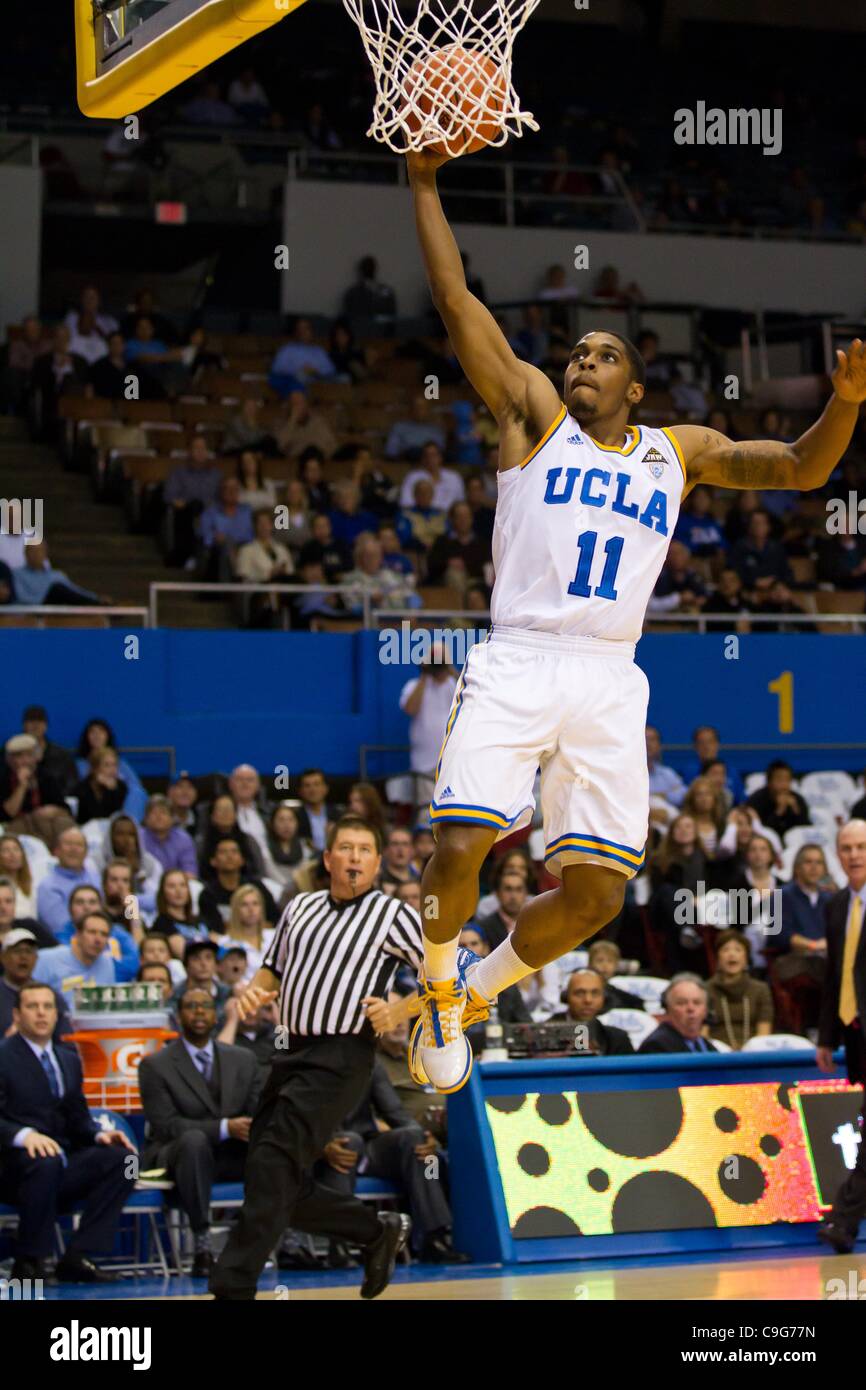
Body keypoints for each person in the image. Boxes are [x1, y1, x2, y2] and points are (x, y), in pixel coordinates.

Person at [402, 147, 866, 1094]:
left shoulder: (677, 451)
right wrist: (424, 184)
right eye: (578, 350)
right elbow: (459, 307)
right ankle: (442, 983)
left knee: (597, 897)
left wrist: (846, 405)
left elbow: (801, 470)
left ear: (636, 388)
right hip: (521, 657)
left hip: (612, 676)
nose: (583, 361)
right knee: (458, 844)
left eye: (605, 356)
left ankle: (485, 984)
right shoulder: (533, 413)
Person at [209, 816, 421, 1300]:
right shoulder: (298, 907)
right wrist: (252, 994)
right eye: (345, 848)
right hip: (288, 1051)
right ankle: (375, 1231)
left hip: (342, 1055)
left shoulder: (394, 915)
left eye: (365, 849)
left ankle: (231, 1284)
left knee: (273, 1159)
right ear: (327, 859)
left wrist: (399, 1008)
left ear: (377, 862)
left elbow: (451, 976)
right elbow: (273, 969)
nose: (354, 857)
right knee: (272, 1176)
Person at [0, 981, 135, 1283]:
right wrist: (22, 1135)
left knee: (127, 1162)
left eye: (48, 1006)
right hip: (13, 1165)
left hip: (62, 1162)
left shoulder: (70, 1060)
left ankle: (78, 1255)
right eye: (32, 1007)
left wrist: (99, 1135)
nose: (41, 1014)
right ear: (16, 1014)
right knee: (45, 1161)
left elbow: (78, 1118)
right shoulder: (3, 1057)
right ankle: (31, 1259)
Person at [138, 988, 262, 1276]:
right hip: (177, 1156)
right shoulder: (155, 1065)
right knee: (194, 1141)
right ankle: (202, 1244)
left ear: (216, 1014)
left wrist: (252, 1126)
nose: (198, 1012)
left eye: (205, 1006)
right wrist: (223, 1128)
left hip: (232, 1154)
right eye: (191, 1006)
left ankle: (287, 1239)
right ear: (178, 1015)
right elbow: (166, 1126)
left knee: (277, 1140)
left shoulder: (244, 1059)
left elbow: (258, 1110)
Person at [317, 1058, 467, 1263]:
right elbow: (293, 1115)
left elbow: (396, 1113)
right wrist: (321, 1144)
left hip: (368, 1145)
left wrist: (425, 1136)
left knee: (414, 1140)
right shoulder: (307, 1060)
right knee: (348, 1142)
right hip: (318, 1150)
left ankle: (434, 1238)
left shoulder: (369, 1063)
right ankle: (339, 1243)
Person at [816, 819, 866, 1252]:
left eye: (862, 846)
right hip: (856, 1033)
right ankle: (844, 1224)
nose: (854, 854)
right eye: (847, 847)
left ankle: (844, 1222)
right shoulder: (835, 906)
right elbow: (835, 974)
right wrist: (826, 1036)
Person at [398, 646, 459, 810]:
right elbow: (410, 708)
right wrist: (425, 674)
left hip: (451, 760)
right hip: (423, 761)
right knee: (425, 812)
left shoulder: (454, 684)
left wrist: (448, 668)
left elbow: (472, 700)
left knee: (449, 808)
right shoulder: (415, 685)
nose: (438, 669)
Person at [0, 733, 75, 849]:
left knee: (64, 825)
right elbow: (8, 814)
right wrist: (22, 786)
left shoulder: (46, 777)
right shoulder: (3, 779)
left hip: (46, 823)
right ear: (11, 760)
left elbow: (65, 809)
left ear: (37, 757)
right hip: (17, 824)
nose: (25, 761)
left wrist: (52, 810)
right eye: (20, 756)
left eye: (29, 755)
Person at [776, 844, 834, 988]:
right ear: (797, 867)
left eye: (819, 862)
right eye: (808, 862)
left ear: (825, 869)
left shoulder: (830, 898)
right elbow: (781, 934)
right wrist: (814, 945)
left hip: (825, 959)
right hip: (793, 960)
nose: (814, 867)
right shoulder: (782, 895)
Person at [705, 930, 774, 1050]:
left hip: (753, 1054)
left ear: (746, 958)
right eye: (725, 950)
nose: (732, 954)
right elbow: (703, 1034)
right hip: (716, 1054)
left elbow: (764, 1033)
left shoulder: (760, 989)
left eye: (738, 950)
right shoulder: (705, 990)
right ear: (718, 958)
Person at [0, 929, 70, 1042]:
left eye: (29, 951)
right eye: (17, 951)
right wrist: (7, 1044)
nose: (23, 957)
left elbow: (67, 1042)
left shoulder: (50, 996)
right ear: (3, 957)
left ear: (36, 958)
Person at [198, 839, 276, 935]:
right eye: (223, 852)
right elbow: (215, 929)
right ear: (213, 861)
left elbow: (275, 920)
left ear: (242, 860)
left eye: (234, 851)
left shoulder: (256, 887)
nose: (229, 856)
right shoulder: (208, 894)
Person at [75, 719, 147, 821]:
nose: (97, 735)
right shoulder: (80, 767)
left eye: (101, 731)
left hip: (120, 814)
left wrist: (112, 788)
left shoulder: (122, 768)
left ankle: (131, 827)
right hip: (90, 822)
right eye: (93, 732)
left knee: (137, 792)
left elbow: (136, 788)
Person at [552, 968, 634, 1055]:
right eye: (580, 993)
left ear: (604, 998)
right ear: (565, 996)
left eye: (595, 993)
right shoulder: (544, 1034)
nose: (588, 1000)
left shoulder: (618, 1039)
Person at [35, 827, 100, 934]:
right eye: (68, 844)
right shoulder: (48, 886)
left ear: (86, 852)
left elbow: (106, 914)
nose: (73, 849)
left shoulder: (96, 878)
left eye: (79, 845)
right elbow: (60, 928)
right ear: (56, 850)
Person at [639, 976, 720, 1053]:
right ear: (667, 1009)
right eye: (682, 1003)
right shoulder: (655, 1046)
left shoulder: (708, 1047)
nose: (691, 1008)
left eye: (697, 1002)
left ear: (706, 1010)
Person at [150, 869, 213, 956]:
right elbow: (184, 953)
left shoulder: (200, 919)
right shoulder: (162, 923)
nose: (178, 891)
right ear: (163, 892)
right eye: (172, 886)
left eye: (183, 885)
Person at [20, 705, 77, 795]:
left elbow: (72, 785)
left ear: (46, 725)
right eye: (31, 721)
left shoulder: (63, 755)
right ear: (23, 725)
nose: (35, 725)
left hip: (55, 804)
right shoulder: (10, 754)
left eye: (39, 721)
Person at [747, 760, 811, 839]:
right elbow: (757, 830)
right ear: (769, 782)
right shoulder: (756, 800)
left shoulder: (798, 799)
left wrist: (796, 811)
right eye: (779, 780)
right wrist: (779, 812)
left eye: (787, 780)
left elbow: (806, 830)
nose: (784, 785)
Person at [139, 795, 199, 876]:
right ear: (146, 818)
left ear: (172, 818)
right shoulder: (138, 837)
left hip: (175, 884)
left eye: (163, 813)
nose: (158, 817)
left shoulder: (184, 839)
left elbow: (190, 871)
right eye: (153, 813)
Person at [72, 747, 128, 825]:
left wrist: (111, 791)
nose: (112, 770)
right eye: (107, 765)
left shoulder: (121, 787)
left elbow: (114, 816)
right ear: (95, 768)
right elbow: (93, 816)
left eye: (114, 765)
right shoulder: (81, 788)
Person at [646, 725, 687, 808]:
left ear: (659, 746)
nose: (648, 743)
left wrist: (665, 796)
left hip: (664, 816)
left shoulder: (667, 773)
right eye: (644, 739)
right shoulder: (625, 773)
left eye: (652, 740)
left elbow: (683, 794)